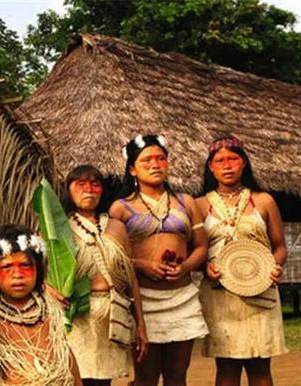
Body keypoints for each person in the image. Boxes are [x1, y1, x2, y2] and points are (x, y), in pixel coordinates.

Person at [109, 134, 209, 386]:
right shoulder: (120, 208)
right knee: (146, 377)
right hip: (142, 300)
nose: (155, 165)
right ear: (132, 168)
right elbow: (113, 258)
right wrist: (142, 265)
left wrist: (185, 266)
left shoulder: (186, 202)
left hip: (181, 297)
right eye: (147, 161)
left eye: (161, 159)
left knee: (177, 376)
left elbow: (201, 247)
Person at [196, 136, 288, 386]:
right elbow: (195, 251)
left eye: (233, 159)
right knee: (226, 367)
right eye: (220, 161)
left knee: (260, 368)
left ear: (244, 163)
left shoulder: (264, 201)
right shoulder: (201, 205)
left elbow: (279, 247)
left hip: (261, 290)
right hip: (220, 295)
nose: (227, 166)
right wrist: (206, 268)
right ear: (211, 167)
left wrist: (274, 267)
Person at [61, 165, 147, 385]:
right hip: (78, 318)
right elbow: (43, 278)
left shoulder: (116, 227)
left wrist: (140, 323)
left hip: (112, 314)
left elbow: (130, 278)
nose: (88, 189)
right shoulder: (58, 227)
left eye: (94, 183)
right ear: (68, 190)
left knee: (103, 382)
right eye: (80, 184)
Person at [0, 225, 82, 386]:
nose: (17, 275)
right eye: (7, 267)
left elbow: (66, 356)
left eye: (25, 265)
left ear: (37, 268)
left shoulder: (50, 308)